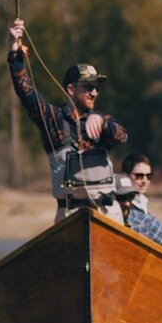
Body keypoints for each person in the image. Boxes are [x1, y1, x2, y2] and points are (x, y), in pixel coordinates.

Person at [7, 18, 128, 223]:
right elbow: (25, 91)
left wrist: (102, 122)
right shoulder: (52, 119)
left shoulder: (104, 122)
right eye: (89, 87)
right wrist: (14, 52)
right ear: (71, 89)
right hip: (70, 216)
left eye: (97, 87)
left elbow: (121, 135)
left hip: (109, 216)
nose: (95, 92)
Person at [119, 151, 162, 240]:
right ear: (125, 176)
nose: (145, 181)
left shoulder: (142, 202)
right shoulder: (122, 205)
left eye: (148, 176)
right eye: (139, 176)